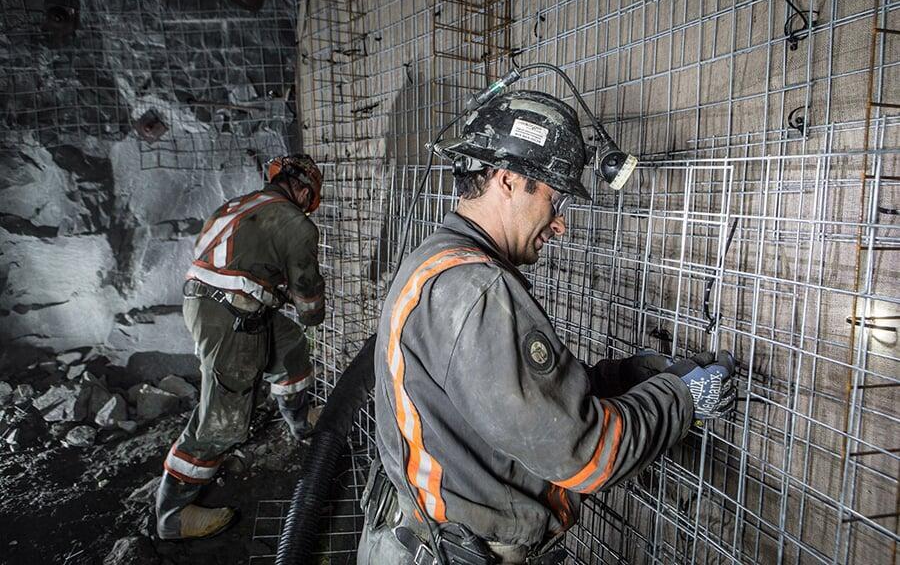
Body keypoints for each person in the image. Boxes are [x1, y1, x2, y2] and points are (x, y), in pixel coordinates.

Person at [357, 91, 736, 564]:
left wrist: (628, 379)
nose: (560, 226)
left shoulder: (437, 260)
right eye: (555, 201)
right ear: (509, 179)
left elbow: (505, 405)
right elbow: (585, 455)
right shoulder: (478, 290)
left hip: (416, 540)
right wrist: (681, 401)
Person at [155, 154, 326, 540]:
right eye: (309, 196)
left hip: (218, 304)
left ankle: (300, 422)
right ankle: (173, 515)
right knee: (225, 417)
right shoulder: (296, 223)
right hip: (230, 316)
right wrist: (314, 314)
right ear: (302, 190)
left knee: (289, 347)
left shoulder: (238, 204)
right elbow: (307, 294)